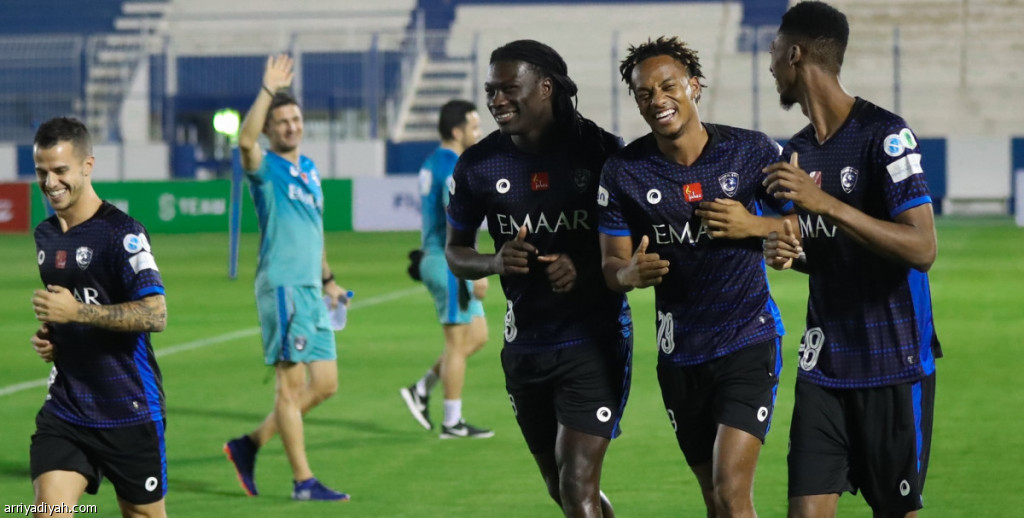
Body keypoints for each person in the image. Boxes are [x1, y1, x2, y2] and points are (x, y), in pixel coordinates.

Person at [598, 36, 790, 517]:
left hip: (748, 339)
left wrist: (755, 227)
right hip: (679, 353)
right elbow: (610, 267)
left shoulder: (751, 150)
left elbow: (809, 224)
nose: (658, 100)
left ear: (695, 86)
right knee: (714, 500)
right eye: (644, 93)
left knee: (731, 491)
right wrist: (629, 273)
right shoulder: (623, 172)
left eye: (668, 86)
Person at [763, 2, 941, 516]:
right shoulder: (797, 151)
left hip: (893, 361)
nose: (769, 63)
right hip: (824, 363)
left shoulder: (885, 135)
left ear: (795, 54)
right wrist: (788, 251)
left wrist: (824, 204)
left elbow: (923, 248)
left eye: (774, 50)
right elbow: (823, 248)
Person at [445, 40, 632, 518]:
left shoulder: (601, 152)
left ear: (546, 87)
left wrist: (584, 267)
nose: (497, 100)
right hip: (525, 345)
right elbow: (455, 252)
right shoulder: (478, 165)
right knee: (562, 489)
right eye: (491, 90)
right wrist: (494, 262)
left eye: (509, 89)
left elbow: (636, 243)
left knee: (577, 483)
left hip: (593, 340)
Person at [223, 54, 351, 502]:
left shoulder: (310, 169)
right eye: (282, 122)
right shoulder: (265, 169)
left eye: (295, 119)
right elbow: (244, 140)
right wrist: (267, 90)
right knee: (290, 387)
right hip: (283, 287)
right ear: (270, 129)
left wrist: (330, 281)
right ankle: (303, 482)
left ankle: (250, 444)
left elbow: (315, 232)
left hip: (312, 290)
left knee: (326, 383)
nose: (291, 127)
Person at [29, 117, 169, 517]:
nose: (50, 183)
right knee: (48, 511)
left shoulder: (122, 233)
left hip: (128, 409)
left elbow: (156, 313)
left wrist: (76, 312)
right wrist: (54, 335)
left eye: (60, 170)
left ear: (87, 165)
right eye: (41, 172)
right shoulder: (45, 235)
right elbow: (74, 311)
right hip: (68, 407)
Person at [400, 99, 494, 439]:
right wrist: (475, 268)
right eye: (474, 126)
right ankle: (452, 422)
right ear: (457, 132)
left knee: (477, 335)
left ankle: (421, 389)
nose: (479, 132)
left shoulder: (432, 161)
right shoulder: (454, 165)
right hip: (448, 262)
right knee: (456, 344)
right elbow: (458, 221)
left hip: (437, 256)